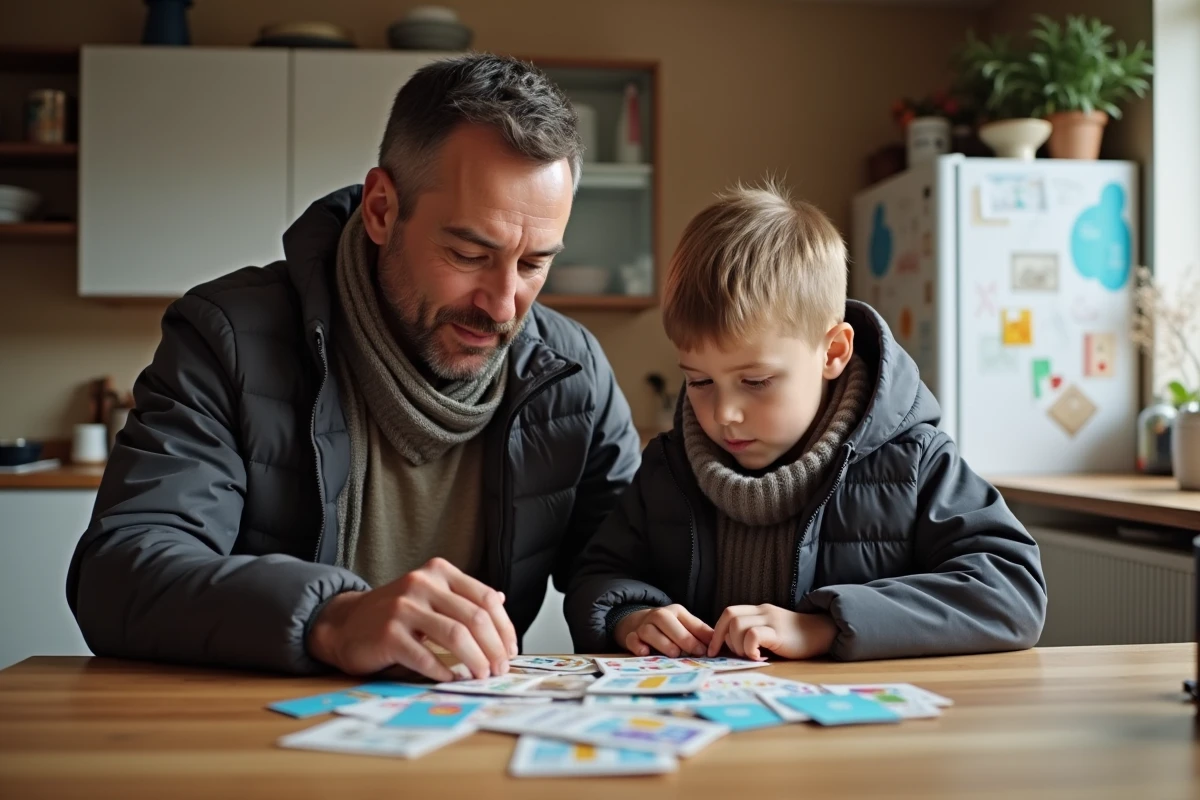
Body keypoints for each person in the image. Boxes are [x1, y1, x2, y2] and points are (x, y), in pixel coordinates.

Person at [66, 54, 641, 681]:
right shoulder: (227, 338)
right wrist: (331, 618)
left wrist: (651, 608)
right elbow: (119, 573)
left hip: (477, 746)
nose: (504, 306)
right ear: (381, 209)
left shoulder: (573, 374)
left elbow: (634, 561)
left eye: (534, 264)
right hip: (263, 745)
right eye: (469, 253)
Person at [566, 181, 1047, 662]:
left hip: (854, 731)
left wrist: (825, 626)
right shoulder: (667, 471)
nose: (724, 414)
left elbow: (1013, 595)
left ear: (834, 351)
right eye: (699, 381)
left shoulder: (915, 462)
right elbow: (596, 577)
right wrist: (630, 617)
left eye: (755, 382)